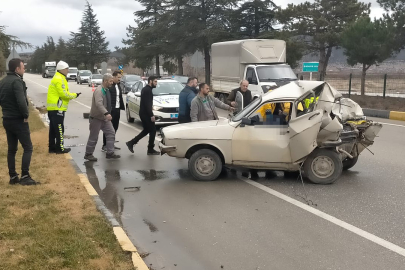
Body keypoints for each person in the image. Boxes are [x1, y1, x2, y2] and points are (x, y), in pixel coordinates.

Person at [0, 58, 39, 185]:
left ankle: (13, 176)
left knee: (12, 149)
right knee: (28, 147)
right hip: (18, 120)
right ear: (17, 69)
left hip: (7, 118)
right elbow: (21, 101)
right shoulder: (17, 81)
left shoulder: (3, 81)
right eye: (23, 67)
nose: (24, 69)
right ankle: (25, 176)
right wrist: (25, 114)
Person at [84, 73, 120, 161]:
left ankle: (110, 152)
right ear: (105, 81)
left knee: (111, 133)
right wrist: (106, 113)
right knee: (94, 137)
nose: (112, 82)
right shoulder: (99, 91)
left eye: (112, 81)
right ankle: (88, 154)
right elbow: (99, 104)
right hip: (96, 118)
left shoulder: (106, 90)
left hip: (104, 118)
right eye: (110, 81)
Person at [47, 61, 81, 154]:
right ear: (62, 69)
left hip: (53, 108)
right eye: (67, 69)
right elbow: (64, 94)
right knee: (59, 129)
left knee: (53, 130)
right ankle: (60, 148)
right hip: (58, 108)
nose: (68, 70)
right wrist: (75, 95)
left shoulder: (57, 77)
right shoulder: (60, 79)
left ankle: (52, 147)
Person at [126, 76, 160, 155]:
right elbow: (147, 104)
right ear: (150, 81)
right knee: (153, 130)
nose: (156, 83)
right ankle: (150, 149)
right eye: (155, 81)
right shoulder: (147, 90)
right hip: (146, 114)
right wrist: (151, 115)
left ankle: (131, 143)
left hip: (144, 113)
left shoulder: (146, 89)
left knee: (146, 130)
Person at [102, 71, 124, 152]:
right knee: (108, 128)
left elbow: (119, 98)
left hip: (117, 109)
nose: (119, 79)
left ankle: (111, 144)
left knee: (115, 127)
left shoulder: (118, 86)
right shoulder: (109, 87)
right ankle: (105, 145)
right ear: (114, 77)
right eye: (118, 77)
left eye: (120, 77)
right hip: (111, 110)